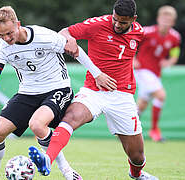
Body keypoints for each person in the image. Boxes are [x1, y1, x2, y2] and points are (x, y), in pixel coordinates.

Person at [0, 6, 116, 180]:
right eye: (1, 35)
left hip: (57, 88)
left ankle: (68, 172)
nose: (7, 39)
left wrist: (97, 74)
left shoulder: (44, 36)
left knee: (37, 125)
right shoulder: (2, 48)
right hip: (27, 93)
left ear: (18, 24)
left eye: (9, 33)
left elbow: (75, 50)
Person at [28, 0, 158, 179]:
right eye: (115, 19)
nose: (117, 25)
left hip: (122, 96)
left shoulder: (139, 32)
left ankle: (137, 174)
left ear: (133, 19)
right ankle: (47, 160)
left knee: (137, 155)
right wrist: (70, 40)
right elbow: (64, 32)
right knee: (71, 117)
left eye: (123, 22)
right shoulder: (97, 25)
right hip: (93, 91)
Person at [134, 5, 181, 142]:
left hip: (155, 73)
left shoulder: (175, 37)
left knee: (142, 103)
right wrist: (132, 59)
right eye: (163, 18)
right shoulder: (147, 32)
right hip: (142, 70)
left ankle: (127, 131)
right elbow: (131, 43)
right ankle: (154, 130)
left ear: (173, 22)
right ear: (158, 19)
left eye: (169, 19)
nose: (166, 21)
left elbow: (174, 54)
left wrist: (170, 62)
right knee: (161, 95)